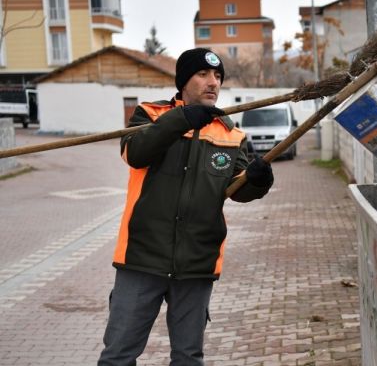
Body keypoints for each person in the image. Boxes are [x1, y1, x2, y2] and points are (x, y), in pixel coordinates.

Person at [98, 48, 273, 365]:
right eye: (203, 74)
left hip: (197, 262)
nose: (213, 83)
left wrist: (259, 181)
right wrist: (180, 120)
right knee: (118, 355)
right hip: (142, 258)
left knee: (188, 357)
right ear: (183, 81)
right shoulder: (148, 116)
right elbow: (135, 153)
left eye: (218, 76)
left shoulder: (231, 134)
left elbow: (239, 190)